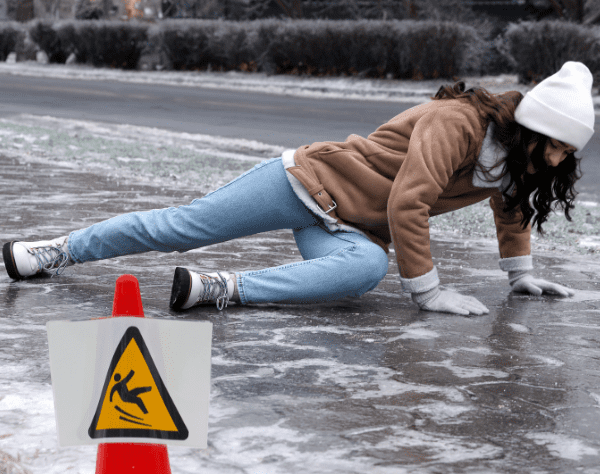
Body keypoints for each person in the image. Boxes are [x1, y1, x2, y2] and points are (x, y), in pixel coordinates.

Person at [3, 62, 593, 316]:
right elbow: (409, 201)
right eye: (560, 145)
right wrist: (429, 292)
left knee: (361, 272)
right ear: (530, 130)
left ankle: (220, 289)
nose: (561, 158)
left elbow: (511, 205)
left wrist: (520, 275)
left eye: (570, 151)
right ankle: (55, 250)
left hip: (351, 226)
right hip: (305, 181)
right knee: (180, 228)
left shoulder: (514, 160)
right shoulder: (458, 124)